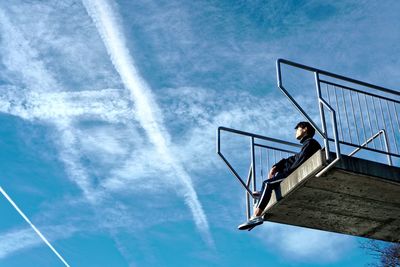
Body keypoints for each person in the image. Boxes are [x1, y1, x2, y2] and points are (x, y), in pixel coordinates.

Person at [238, 121, 321, 231]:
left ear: (305, 129)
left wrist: (284, 175)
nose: (296, 132)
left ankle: (256, 216)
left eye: (298, 129)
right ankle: (263, 194)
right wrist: (276, 167)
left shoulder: (311, 143)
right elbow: (293, 159)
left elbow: (299, 162)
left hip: (298, 173)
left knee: (267, 183)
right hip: (295, 171)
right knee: (268, 184)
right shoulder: (308, 144)